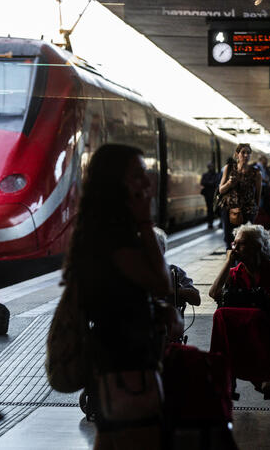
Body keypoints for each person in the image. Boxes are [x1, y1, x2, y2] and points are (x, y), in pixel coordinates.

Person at [63, 144, 172, 450]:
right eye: (138, 176)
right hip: (126, 360)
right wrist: (145, 223)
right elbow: (161, 282)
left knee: (111, 439)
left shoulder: (98, 229)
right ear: (115, 182)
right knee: (138, 438)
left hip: (113, 357)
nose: (147, 184)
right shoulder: (115, 235)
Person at [208, 224, 270, 396]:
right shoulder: (235, 273)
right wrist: (228, 262)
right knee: (220, 314)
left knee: (256, 316)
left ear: (257, 246)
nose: (235, 248)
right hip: (244, 331)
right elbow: (214, 293)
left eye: (241, 244)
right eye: (234, 244)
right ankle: (223, 374)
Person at [217, 143, 261, 250]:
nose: (246, 155)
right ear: (237, 154)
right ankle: (231, 263)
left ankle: (242, 265)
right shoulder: (229, 168)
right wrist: (229, 183)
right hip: (229, 210)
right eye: (243, 152)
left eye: (248, 153)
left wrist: (256, 210)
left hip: (248, 211)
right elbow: (221, 189)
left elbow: (258, 194)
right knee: (229, 239)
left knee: (245, 240)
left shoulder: (256, 173)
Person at [200, 162, 220, 229]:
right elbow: (202, 182)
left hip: (214, 194)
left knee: (215, 208)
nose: (211, 168)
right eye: (210, 167)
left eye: (212, 166)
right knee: (209, 209)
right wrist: (211, 183)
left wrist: (209, 183)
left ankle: (216, 221)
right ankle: (210, 223)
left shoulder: (216, 175)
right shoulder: (205, 175)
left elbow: (217, 183)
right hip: (208, 195)